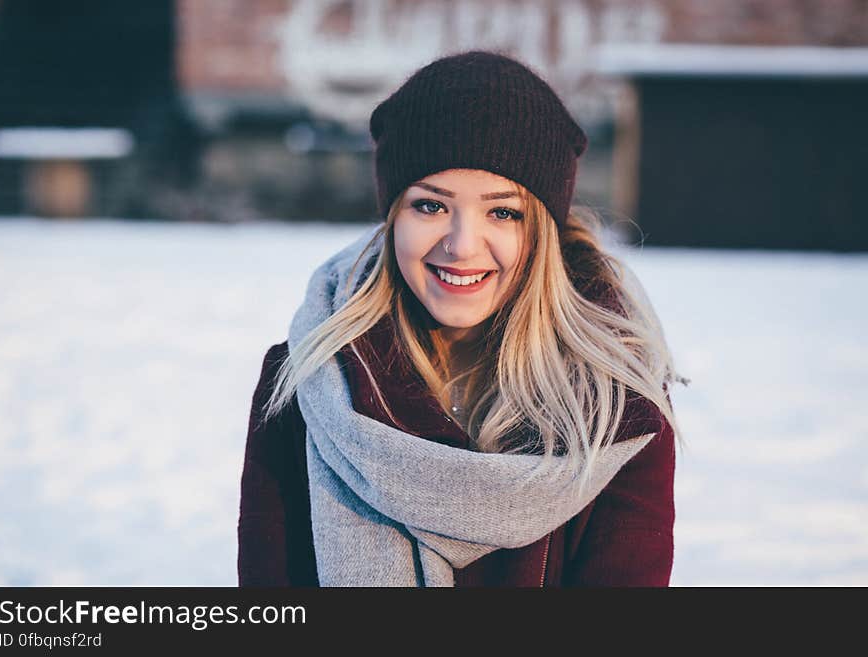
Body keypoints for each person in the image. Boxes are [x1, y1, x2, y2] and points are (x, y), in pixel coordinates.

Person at [238, 50, 684, 587]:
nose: (461, 245)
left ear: (541, 232)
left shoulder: (616, 405)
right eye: (430, 206)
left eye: (503, 212)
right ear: (392, 216)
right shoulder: (306, 382)